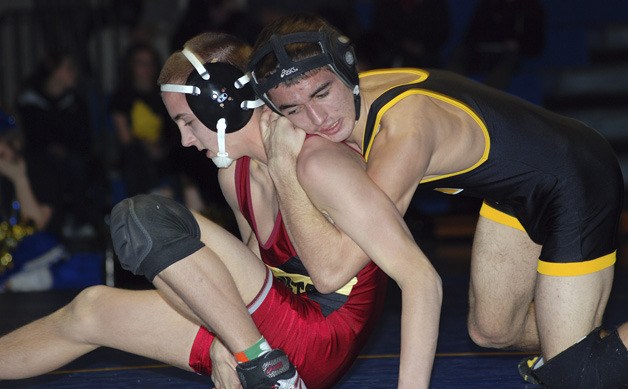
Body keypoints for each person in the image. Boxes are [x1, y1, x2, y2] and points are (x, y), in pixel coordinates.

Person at [246, 13, 628, 388]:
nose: (316, 118)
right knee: (492, 332)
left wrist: (282, 167)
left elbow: (335, 270)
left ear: (348, 70)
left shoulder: (404, 132)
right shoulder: (357, 97)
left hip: (577, 180)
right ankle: (580, 343)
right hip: (514, 191)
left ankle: (578, 356)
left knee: (579, 376)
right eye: (293, 110)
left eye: (322, 93)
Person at [0, 32, 389, 389]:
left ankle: (265, 370)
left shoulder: (319, 158)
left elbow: (346, 272)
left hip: (321, 336)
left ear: (224, 102)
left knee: (143, 216)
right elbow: (251, 271)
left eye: (187, 121)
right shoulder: (234, 175)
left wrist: (285, 172)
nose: (185, 140)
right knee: (91, 310)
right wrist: (225, 342)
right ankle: (257, 359)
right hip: (278, 331)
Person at [0, 109, 67, 292]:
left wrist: (19, 179)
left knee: (39, 245)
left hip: (33, 251)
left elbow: (36, 223)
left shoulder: (39, 166)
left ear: (14, 142)